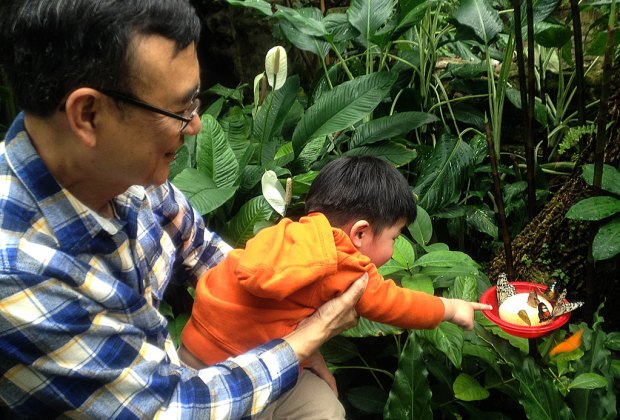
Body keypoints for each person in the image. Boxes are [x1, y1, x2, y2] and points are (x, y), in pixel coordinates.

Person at [0, 0, 367, 418]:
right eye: (179, 110)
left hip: (172, 367)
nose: (195, 126)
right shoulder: (17, 273)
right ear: (88, 115)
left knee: (318, 403)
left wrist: (279, 323)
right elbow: (170, 409)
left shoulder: (119, 170)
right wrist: (303, 339)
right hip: (155, 400)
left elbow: (205, 251)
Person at [180, 156, 493, 417]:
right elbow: (394, 303)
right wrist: (450, 308)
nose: (394, 248)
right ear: (359, 234)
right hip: (242, 380)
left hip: (193, 355)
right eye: (394, 238)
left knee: (323, 402)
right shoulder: (341, 262)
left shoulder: (286, 233)